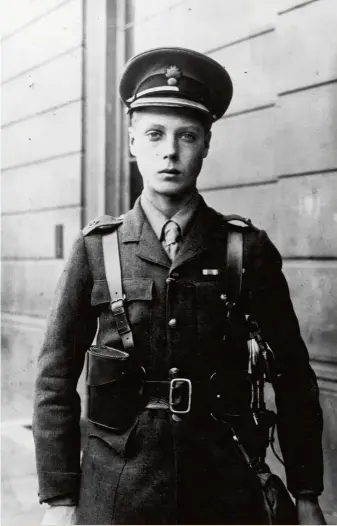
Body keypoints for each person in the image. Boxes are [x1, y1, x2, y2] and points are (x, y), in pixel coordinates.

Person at [33, 47, 326, 525]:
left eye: (186, 135)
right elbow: (54, 379)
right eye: (154, 134)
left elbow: (293, 378)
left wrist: (307, 491)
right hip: (118, 493)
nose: (169, 151)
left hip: (226, 491)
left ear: (206, 143)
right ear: (132, 143)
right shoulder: (96, 250)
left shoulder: (245, 249)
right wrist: (60, 497)